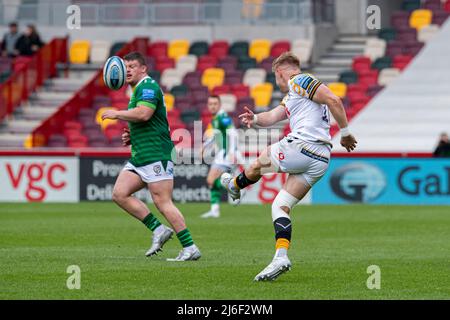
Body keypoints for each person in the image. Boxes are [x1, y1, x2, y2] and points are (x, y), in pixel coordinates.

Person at [220, 52, 357, 281]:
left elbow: (334, 100)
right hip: (320, 158)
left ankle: (234, 185)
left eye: (276, 77)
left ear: (281, 72)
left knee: (258, 164)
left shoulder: (299, 80)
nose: (277, 82)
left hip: (303, 145)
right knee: (280, 205)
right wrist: (255, 119)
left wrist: (345, 133)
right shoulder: (295, 95)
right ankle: (281, 257)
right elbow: (272, 116)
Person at [101, 51, 201, 261]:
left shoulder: (147, 86)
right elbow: (144, 120)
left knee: (162, 202)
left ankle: (190, 247)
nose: (127, 70)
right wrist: (132, 135)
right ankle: (158, 230)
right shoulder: (137, 90)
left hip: (156, 153)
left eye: (132, 66)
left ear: (143, 69)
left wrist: (116, 114)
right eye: (125, 67)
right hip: (140, 155)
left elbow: (144, 113)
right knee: (120, 194)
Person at [200, 95, 240, 218]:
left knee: (211, 180)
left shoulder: (223, 117)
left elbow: (233, 133)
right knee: (212, 182)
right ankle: (215, 210)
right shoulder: (215, 119)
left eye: (215, 104)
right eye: (210, 104)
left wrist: (233, 151)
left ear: (220, 105)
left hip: (226, 154)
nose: (212, 106)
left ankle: (234, 187)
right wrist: (205, 146)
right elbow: (215, 136)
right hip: (221, 154)